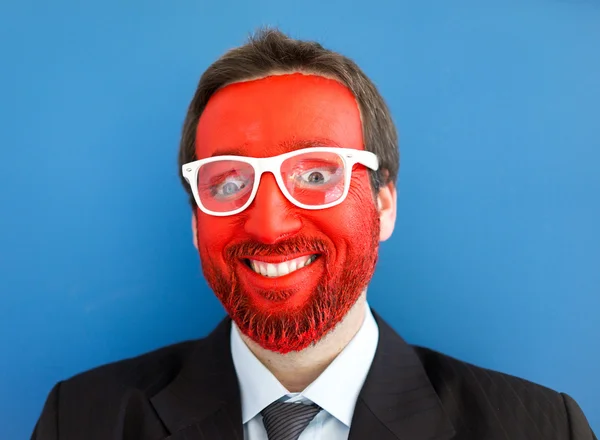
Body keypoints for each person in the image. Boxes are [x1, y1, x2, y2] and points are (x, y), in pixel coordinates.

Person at [31, 28, 596, 440]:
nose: (270, 225)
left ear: (384, 203)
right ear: (195, 219)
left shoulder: (542, 428)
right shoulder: (79, 421)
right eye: (228, 182)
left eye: (317, 175)